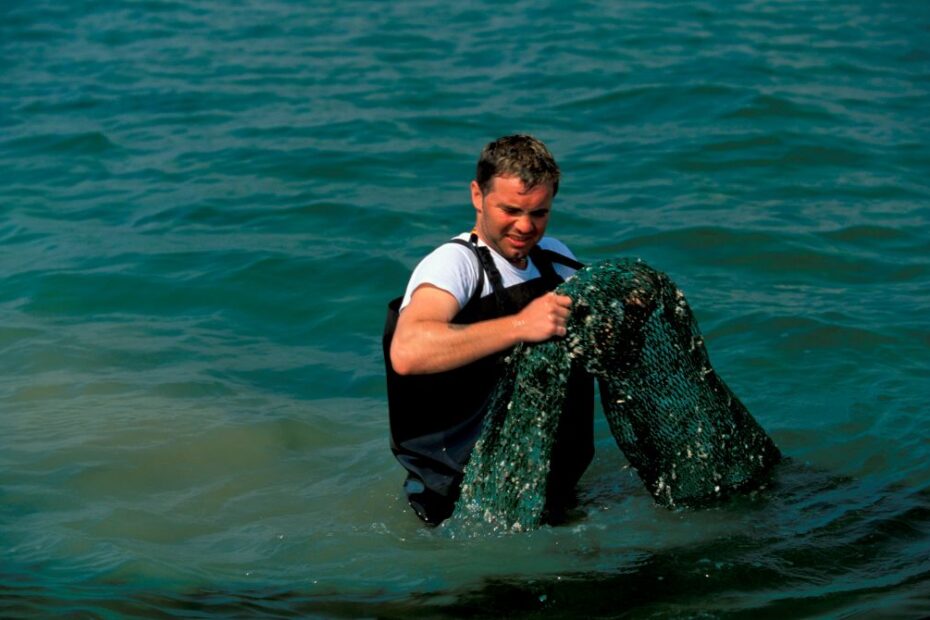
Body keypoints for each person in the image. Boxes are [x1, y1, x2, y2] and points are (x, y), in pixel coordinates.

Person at [383, 135, 594, 525]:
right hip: (460, 503)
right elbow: (408, 350)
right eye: (510, 210)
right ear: (477, 196)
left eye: (540, 213)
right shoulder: (453, 265)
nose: (525, 226)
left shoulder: (556, 259)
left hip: (547, 483)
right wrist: (520, 325)